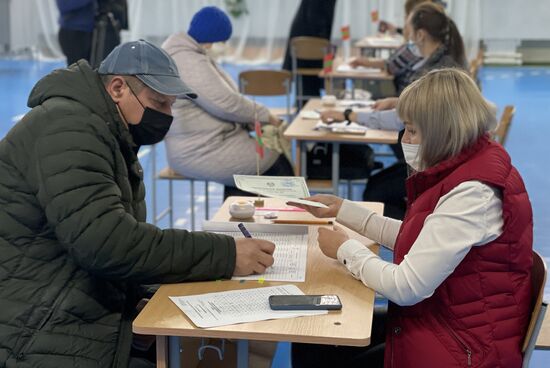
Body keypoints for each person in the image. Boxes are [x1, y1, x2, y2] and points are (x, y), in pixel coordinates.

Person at [0, 40, 276, 368]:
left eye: (171, 105)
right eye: (158, 102)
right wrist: (225, 254)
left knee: (243, 342)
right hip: (34, 327)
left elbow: (105, 237)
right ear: (118, 87)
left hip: (67, 296)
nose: (167, 116)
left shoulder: (106, 131)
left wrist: (138, 295)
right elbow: (106, 243)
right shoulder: (67, 128)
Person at [291, 68, 533, 367]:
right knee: (311, 339)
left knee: (317, 342)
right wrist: (343, 210)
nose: (404, 138)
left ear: (443, 130)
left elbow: (406, 287)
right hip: (446, 324)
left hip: (463, 349)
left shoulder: (473, 194)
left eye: (412, 130)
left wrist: (345, 250)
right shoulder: (468, 167)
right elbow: (419, 237)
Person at [321, 2, 468, 219]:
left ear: (420, 34)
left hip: (434, 163)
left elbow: (402, 119)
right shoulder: (436, 62)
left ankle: (413, 228)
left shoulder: (434, 72)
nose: (403, 29)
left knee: (375, 192)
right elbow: (420, 108)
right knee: (375, 184)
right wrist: (398, 100)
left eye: (406, 23)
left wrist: (348, 115)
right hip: (435, 157)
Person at [162, 6, 294, 199]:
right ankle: (275, 223)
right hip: (199, 150)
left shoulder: (186, 52)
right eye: (222, 41)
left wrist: (249, 118)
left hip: (208, 142)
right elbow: (225, 103)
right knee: (276, 163)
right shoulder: (187, 60)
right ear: (212, 39)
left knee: (254, 161)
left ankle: (240, 220)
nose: (223, 45)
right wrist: (265, 115)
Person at [281, 0, 337, 105]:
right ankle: (307, 104)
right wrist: (325, 44)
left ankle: (306, 103)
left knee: (307, 81)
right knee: (311, 77)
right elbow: (314, 16)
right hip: (309, 39)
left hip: (308, 38)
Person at [56, 0, 128, 66]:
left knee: (96, 70)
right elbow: (64, 5)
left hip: (96, 31)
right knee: (78, 72)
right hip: (73, 33)